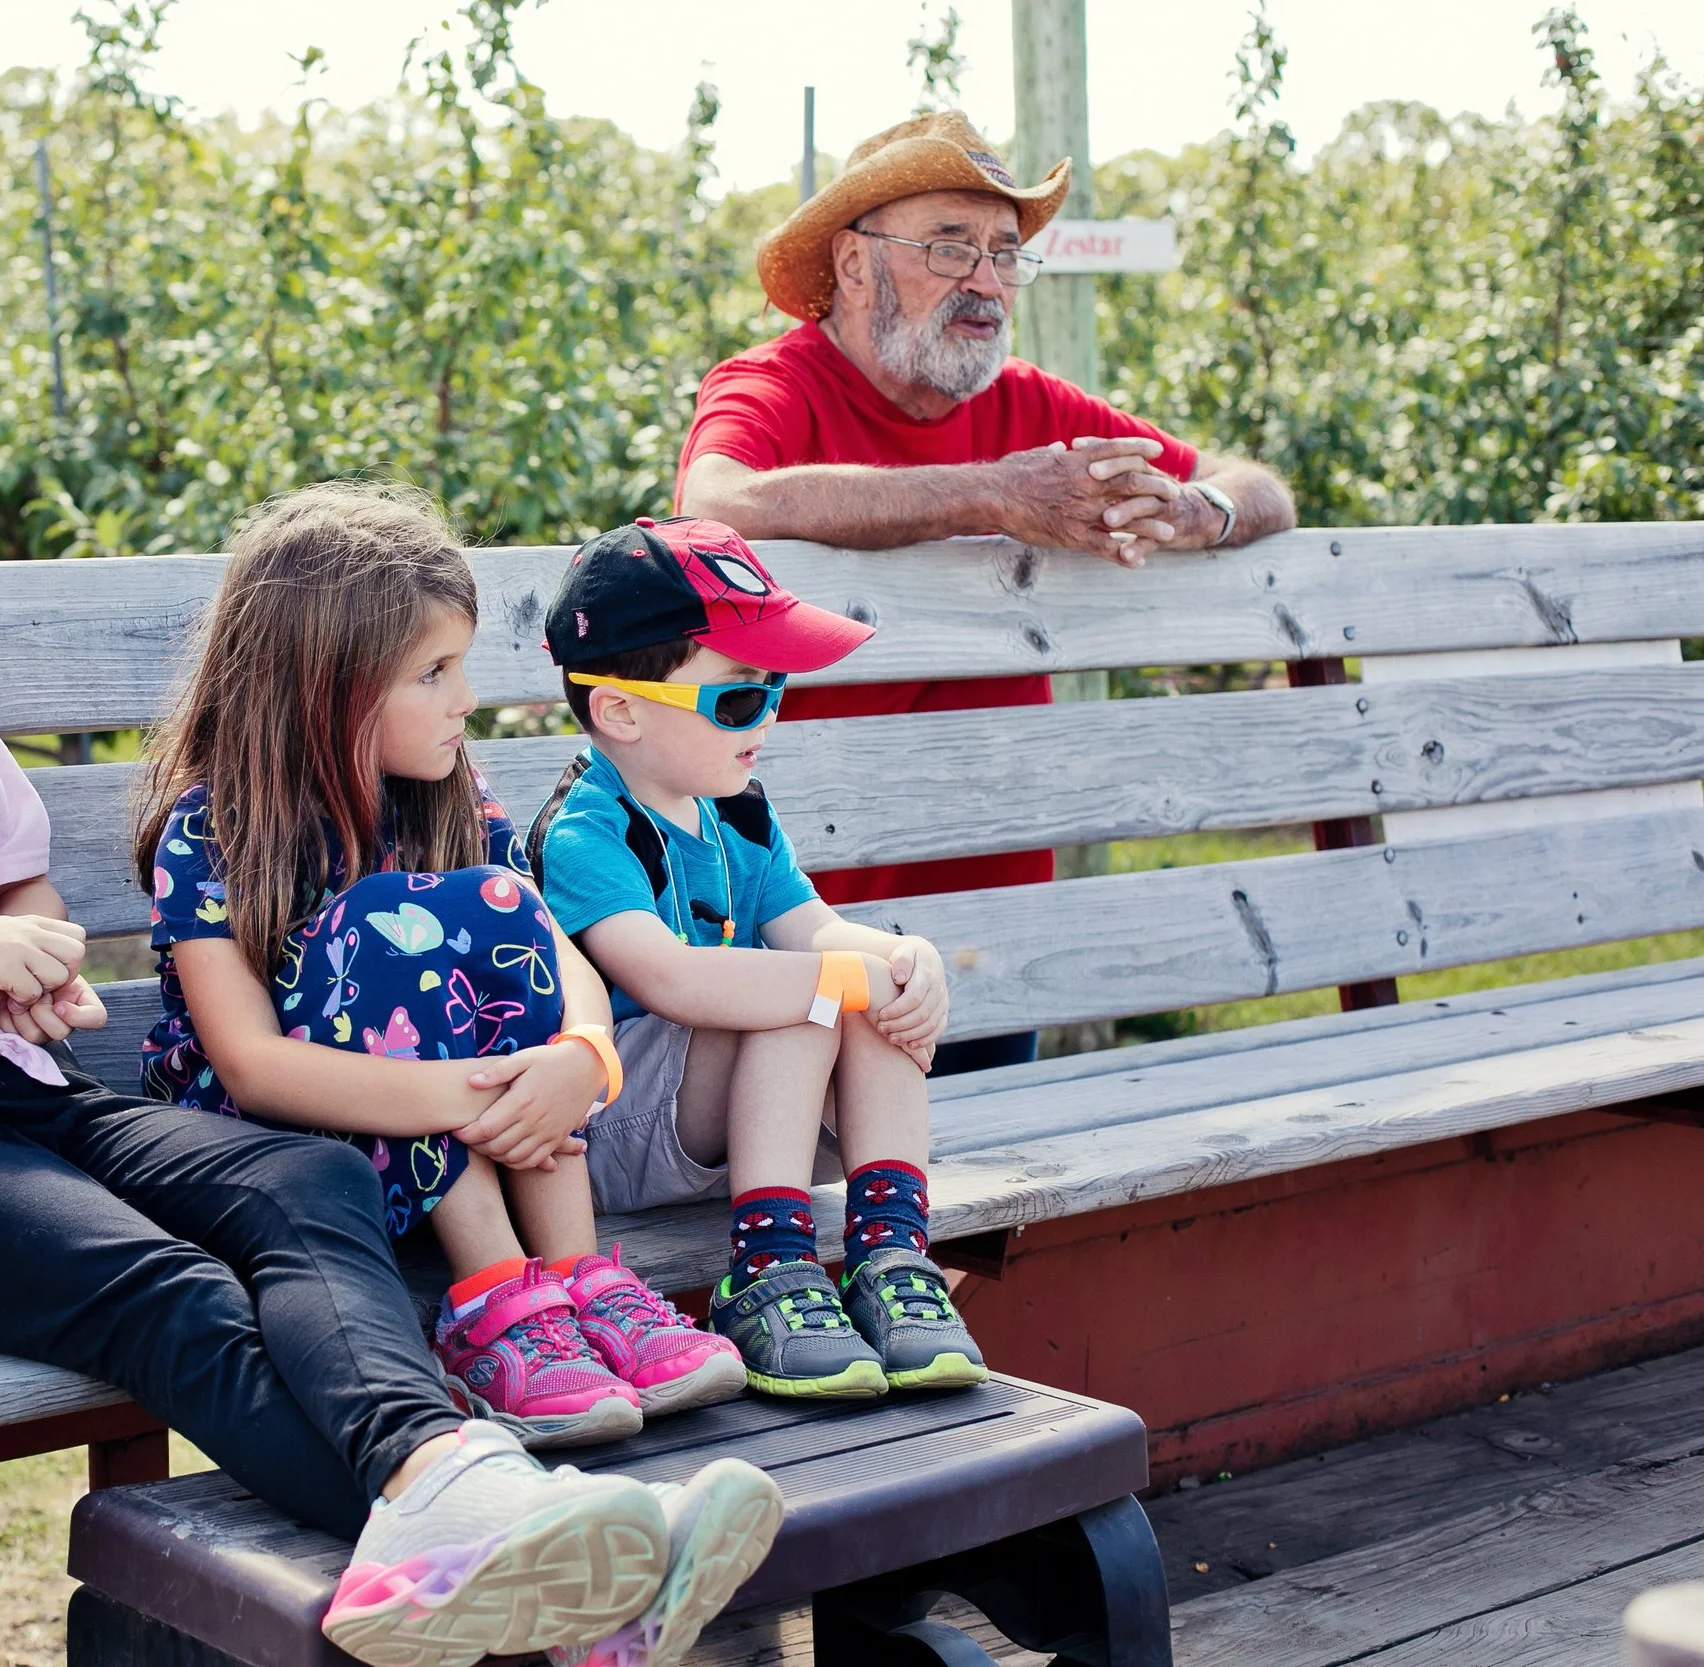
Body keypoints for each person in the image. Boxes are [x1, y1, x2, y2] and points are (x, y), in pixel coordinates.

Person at [0, 377, 726, 1667]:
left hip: (24, 1098)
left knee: (300, 1176)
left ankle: (454, 1473)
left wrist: (32, 954)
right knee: (169, 1291)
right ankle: (487, 1547)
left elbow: (15, 878)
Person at [676, 110, 1296, 1074]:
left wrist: (1194, 509)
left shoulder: (1034, 406)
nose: (985, 282)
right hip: (812, 934)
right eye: (949, 247)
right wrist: (991, 494)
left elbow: (1263, 487)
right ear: (852, 264)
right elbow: (712, 503)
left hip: (1001, 924)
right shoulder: (776, 387)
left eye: (1005, 254)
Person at [132, 482, 751, 1448]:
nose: (466, 698)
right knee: (392, 924)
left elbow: (548, 947)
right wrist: (471, 1098)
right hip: (276, 1150)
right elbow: (252, 1065)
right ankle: (495, 1304)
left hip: (456, 1124)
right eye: (434, 672)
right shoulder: (212, 829)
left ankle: (581, 1285)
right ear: (325, 685)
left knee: (493, 908)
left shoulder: (448, 791)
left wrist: (583, 1056)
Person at [529, 516, 981, 1399]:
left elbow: (814, 929)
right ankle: (766, 1272)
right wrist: (835, 980)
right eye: (737, 697)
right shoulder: (588, 832)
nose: (767, 717)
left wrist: (903, 958)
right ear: (618, 709)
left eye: (774, 687)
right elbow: (673, 978)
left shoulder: (735, 809)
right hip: (617, 1135)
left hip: (739, 1118)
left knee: (854, 985)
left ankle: (892, 1255)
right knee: (809, 997)